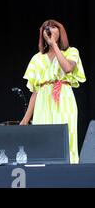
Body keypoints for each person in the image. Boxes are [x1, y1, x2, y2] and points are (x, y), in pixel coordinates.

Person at [20, 19, 86, 164]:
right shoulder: (36, 59)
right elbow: (35, 92)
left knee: (65, 136)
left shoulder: (72, 52)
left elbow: (67, 68)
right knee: (42, 137)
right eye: (45, 28)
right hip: (43, 99)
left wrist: (54, 44)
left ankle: (68, 173)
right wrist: (25, 119)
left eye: (53, 27)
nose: (49, 29)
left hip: (63, 96)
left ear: (60, 31)